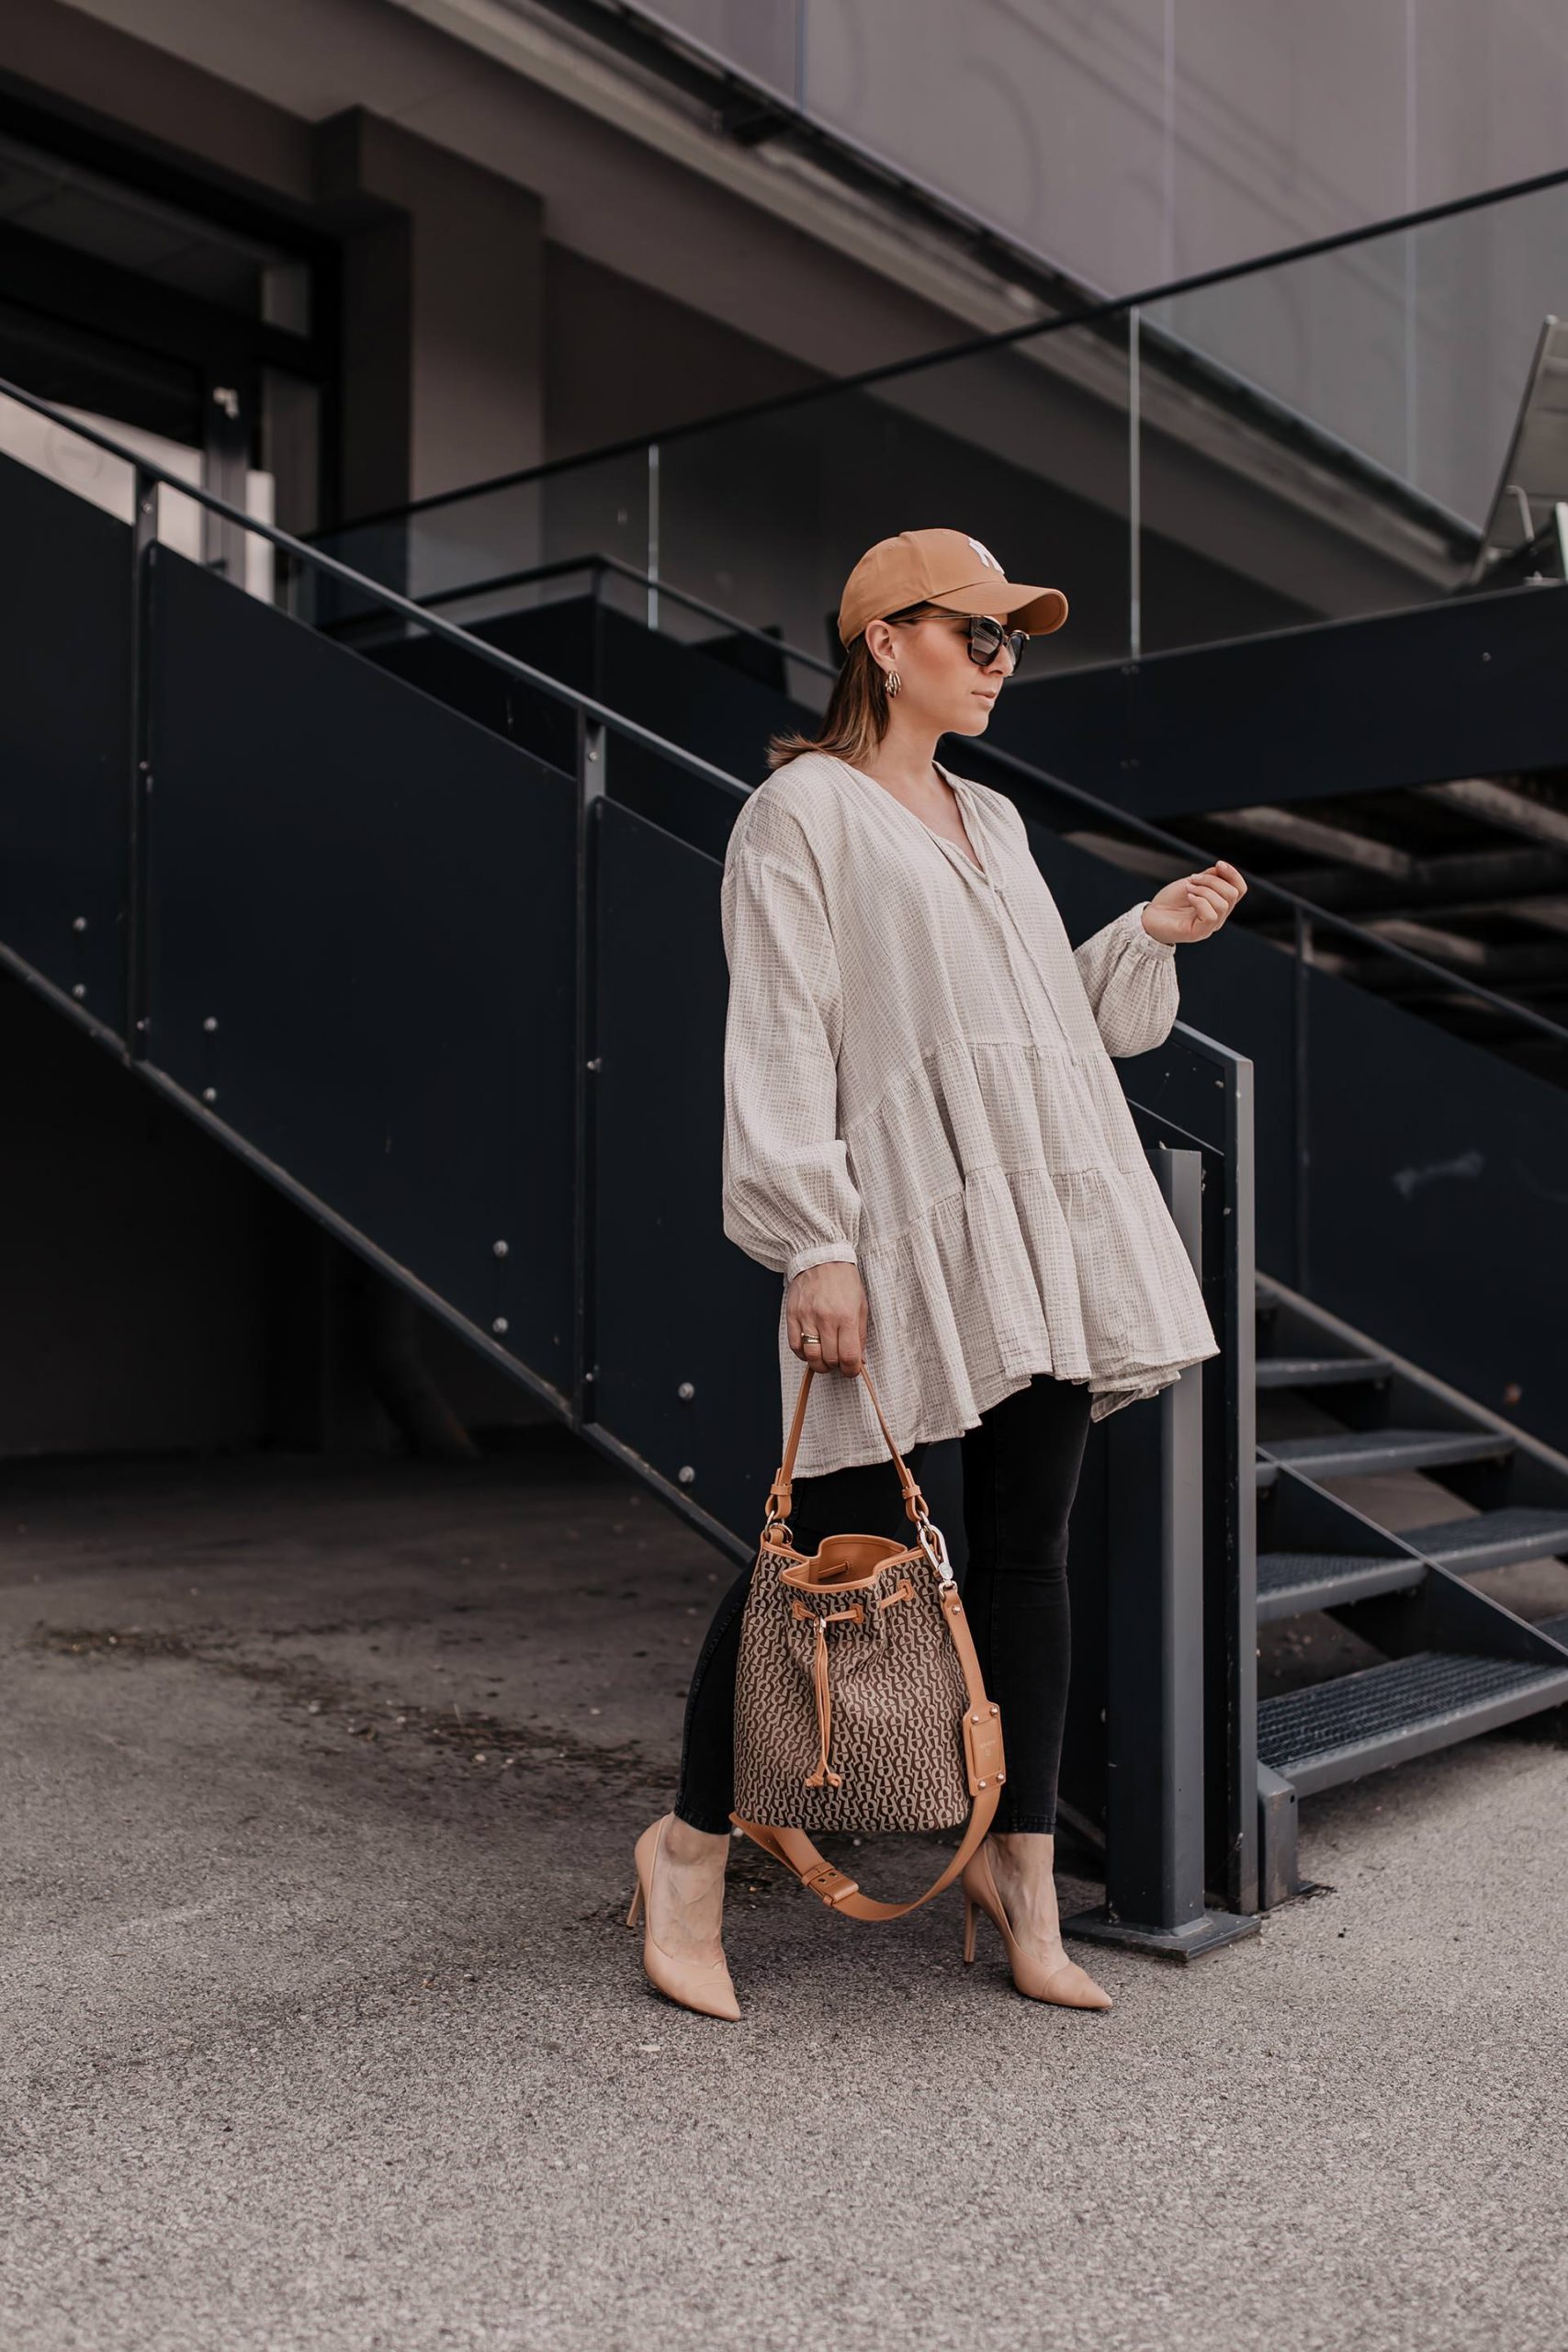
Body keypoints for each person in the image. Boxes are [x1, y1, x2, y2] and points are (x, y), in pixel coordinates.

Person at [626, 527, 1246, 2020]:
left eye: (1013, 640)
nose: (1002, 661)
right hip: (898, 1228)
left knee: (1028, 1555)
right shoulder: (801, 813)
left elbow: (1035, 1027)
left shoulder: (999, 820)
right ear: (883, 642)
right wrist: (816, 1244)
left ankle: (1017, 1874)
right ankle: (689, 1853)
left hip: (1037, 1227)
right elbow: (780, 1037)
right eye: (977, 634)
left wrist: (1141, 939)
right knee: (824, 1549)